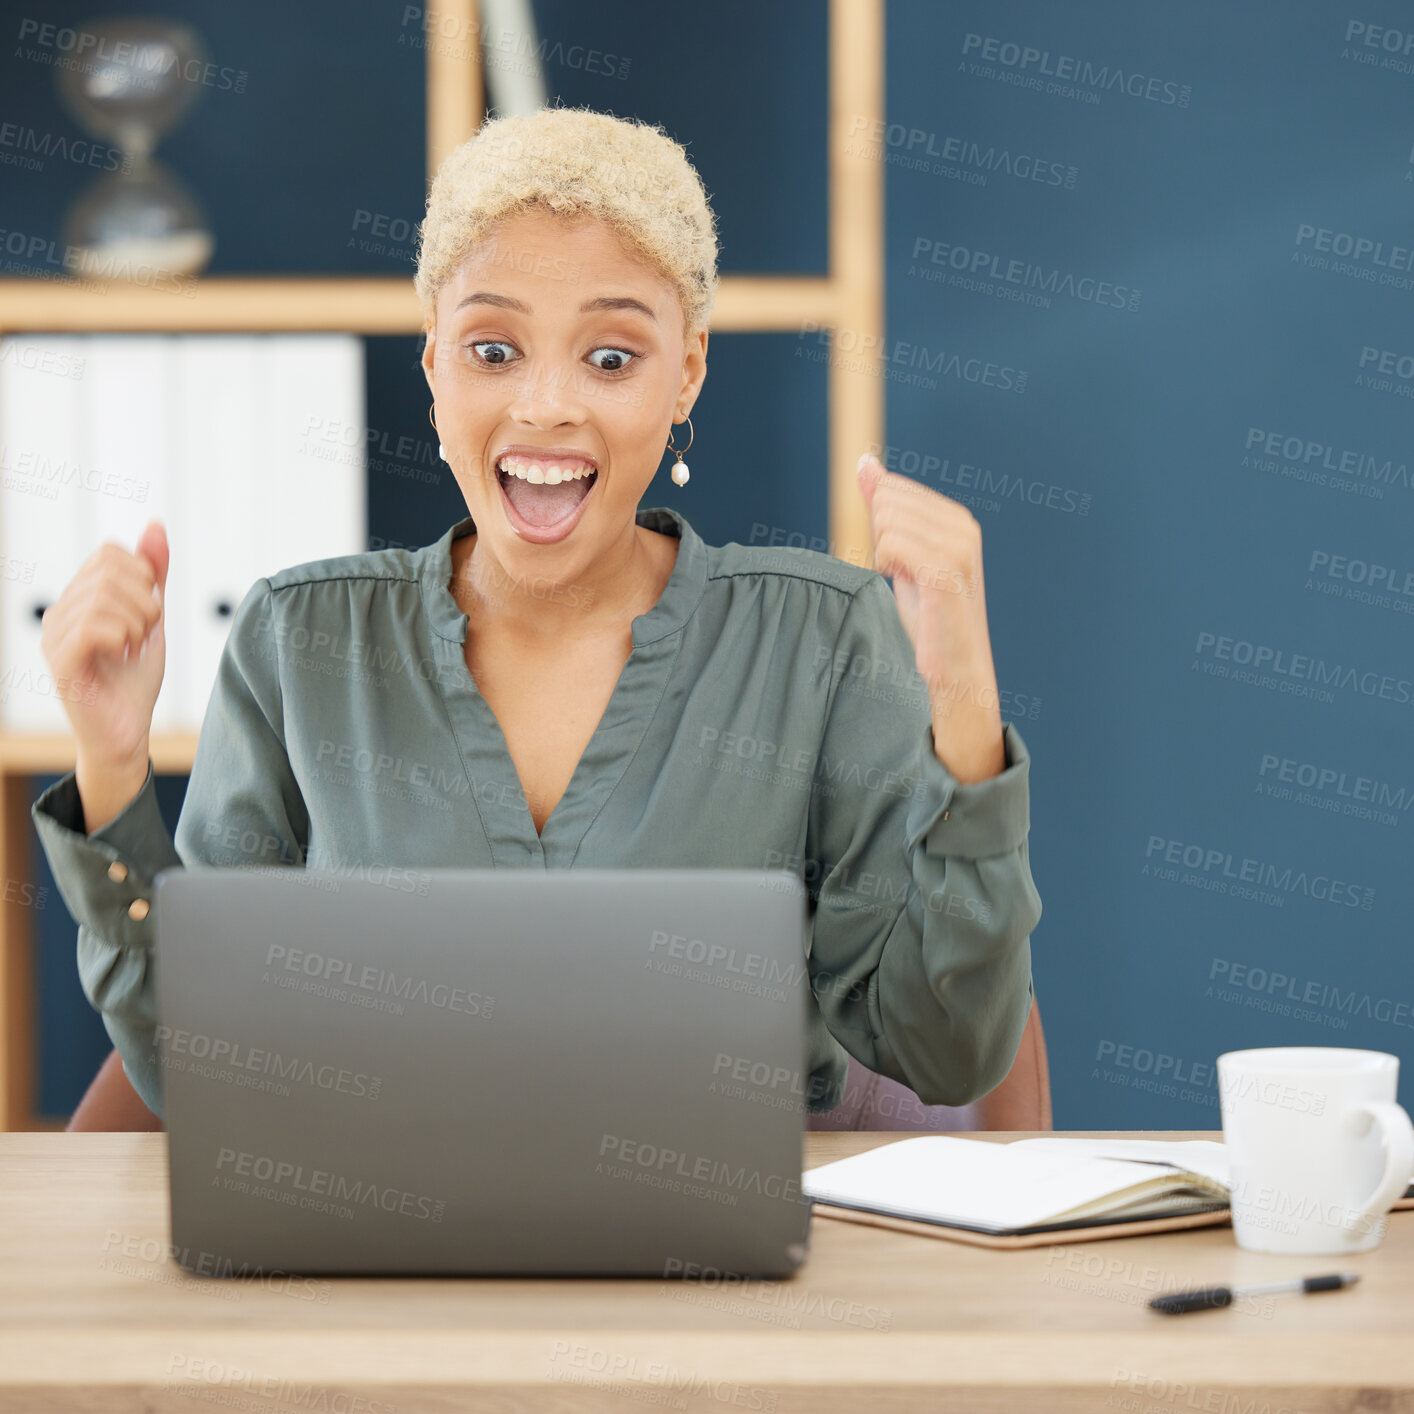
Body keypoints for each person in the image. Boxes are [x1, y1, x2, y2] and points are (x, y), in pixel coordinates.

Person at [32, 104, 1041, 1123]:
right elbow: (208, 1070)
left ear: (686, 369)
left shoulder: (822, 637)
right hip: (381, 1260)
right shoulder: (302, 642)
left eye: (610, 358)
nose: (546, 404)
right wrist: (112, 764)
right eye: (492, 350)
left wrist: (961, 714)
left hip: (723, 1273)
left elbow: (943, 1051)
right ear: (432, 369)